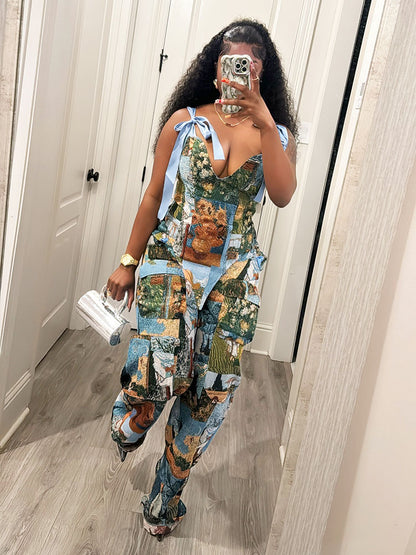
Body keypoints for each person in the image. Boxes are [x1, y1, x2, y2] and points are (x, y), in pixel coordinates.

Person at [106, 18, 298, 540]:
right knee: (158, 369)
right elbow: (153, 195)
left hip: (235, 285)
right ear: (215, 68)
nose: (239, 71)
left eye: (251, 64)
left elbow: (282, 196)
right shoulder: (184, 123)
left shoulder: (277, 136)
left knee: (211, 393)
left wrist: (264, 119)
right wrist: (128, 259)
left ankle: (165, 498)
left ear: (262, 73)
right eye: (231, 60)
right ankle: (133, 418)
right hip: (171, 266)